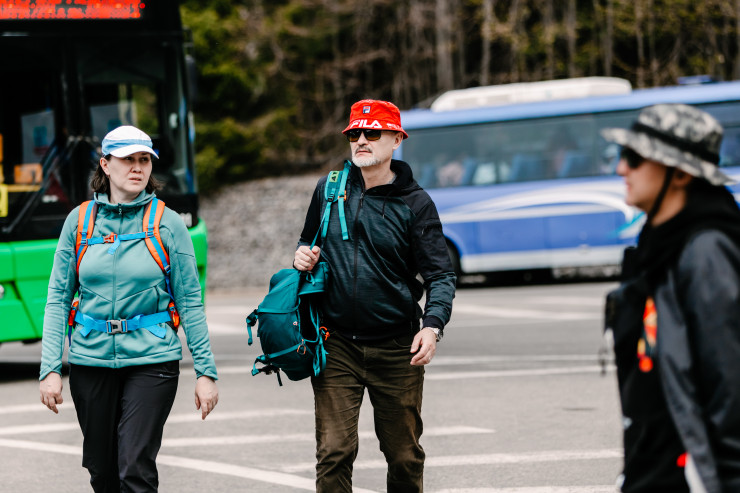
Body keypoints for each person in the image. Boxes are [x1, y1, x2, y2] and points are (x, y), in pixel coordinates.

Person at [38, 125, 219, 492]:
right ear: (106, 165)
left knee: (135, 468)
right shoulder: (79, 222)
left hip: (153, 360)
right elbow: (58, 297)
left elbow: (190, 301)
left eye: (144, 160)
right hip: (90, 361)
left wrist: (206, 372)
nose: (137, 167)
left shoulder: (168, 223)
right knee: (102, 471)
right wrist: (50, 368)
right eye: (127, 159)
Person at [294, 99, 456, 492]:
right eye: (355, 133)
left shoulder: (416, 203)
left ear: (396, 139)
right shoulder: (329, 189)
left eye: (372, 133)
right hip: (335, 344)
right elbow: (306, 241)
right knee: (334, 452)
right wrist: (302, 255)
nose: (361, 140)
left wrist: (432, 326)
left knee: (403, 456)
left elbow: (441, 275)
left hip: (398, 347)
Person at [602, 104, 740, 492]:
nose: (621, 169)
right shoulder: (659, 247)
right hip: (652, 469)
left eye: (634, 157)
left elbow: (729, 389)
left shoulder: (707, 252)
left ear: (680, 173)